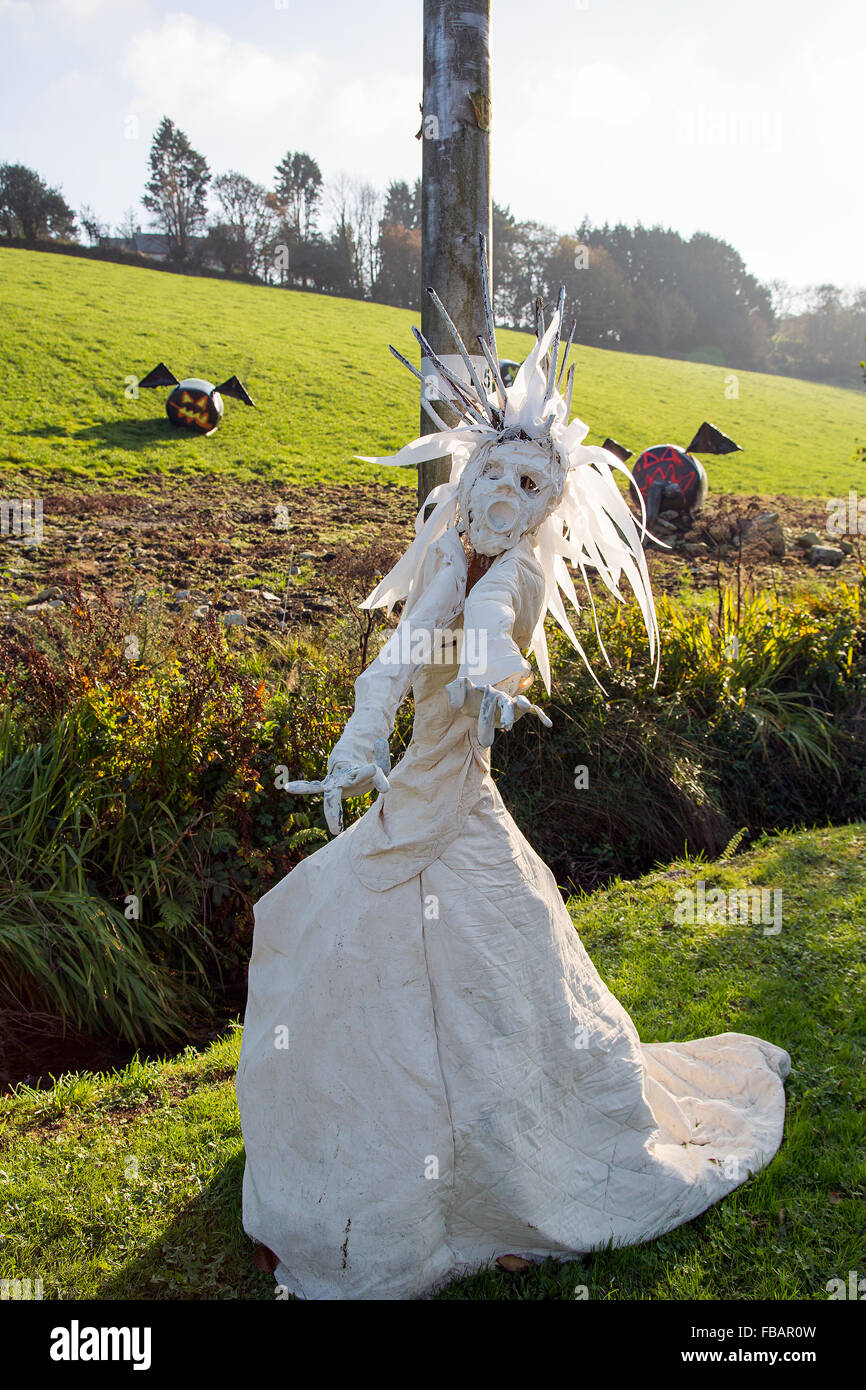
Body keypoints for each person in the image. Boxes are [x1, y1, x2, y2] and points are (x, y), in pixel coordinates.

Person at [235, 244, 790, 1300]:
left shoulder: (516, 573)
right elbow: (403, 654)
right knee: (317, 925)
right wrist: (358, 742)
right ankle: (362, 1155)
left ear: (545, 503)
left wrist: (494, 680)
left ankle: (473, 1175)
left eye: (528, 481)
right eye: (492, 471)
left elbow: (494, 634)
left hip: (453, 802)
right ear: (472, 474)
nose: (503, 490)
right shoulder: (449, 550)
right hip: (416, 798)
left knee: (419, 961)